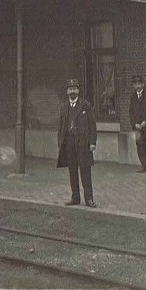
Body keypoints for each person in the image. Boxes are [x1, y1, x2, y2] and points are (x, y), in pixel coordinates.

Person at [56, 78, 97, 207]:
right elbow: (61, 126)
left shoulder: (86, 105)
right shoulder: (63, 107)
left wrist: (92, 142)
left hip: (83, 143)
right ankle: (75, 198)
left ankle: (89, 198)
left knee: (85, 171)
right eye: (70, 89)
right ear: (67, 91)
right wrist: (60, 141)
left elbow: (92, 125)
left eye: (74, 88)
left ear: (78, 90)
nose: (72, 91)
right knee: (72, 171)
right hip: (69, 143)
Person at [128, 74, 146, 173]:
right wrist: (134, 124)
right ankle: (144, 165)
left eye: (139, 84)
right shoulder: (132, 97)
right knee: (140, 145)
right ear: (133, 86)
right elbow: (131, 112)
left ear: (143, 84)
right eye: (136, 84)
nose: (138, 86)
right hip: (137, 126)